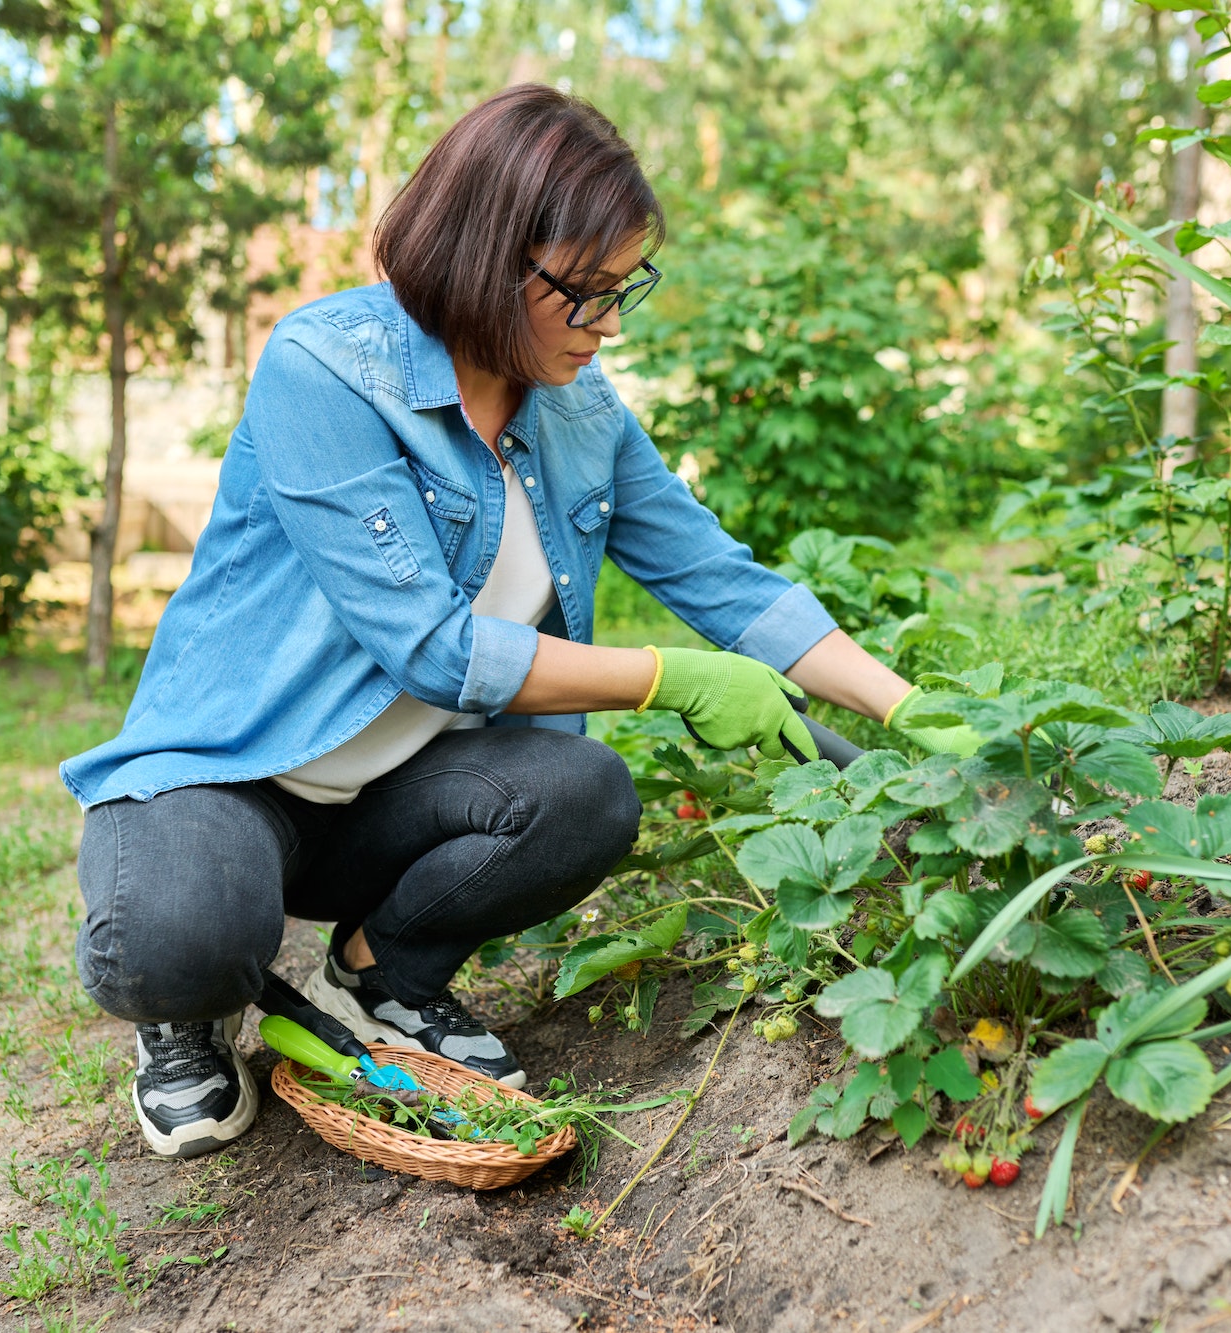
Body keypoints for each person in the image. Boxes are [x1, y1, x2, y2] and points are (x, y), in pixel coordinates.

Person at [60, 84, 948, 1159]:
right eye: (586, 294)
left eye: (624, 290)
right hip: (229, 773)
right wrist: (666, 677)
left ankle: (384, 967)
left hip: (391, 803)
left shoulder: (580, 413)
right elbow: (428, 645)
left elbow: (726, 582)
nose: (610, 324)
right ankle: (188, 1011)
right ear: (490, 258)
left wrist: (912, 711)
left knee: (584, 792)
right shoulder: (327, 368)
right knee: (178, 936)